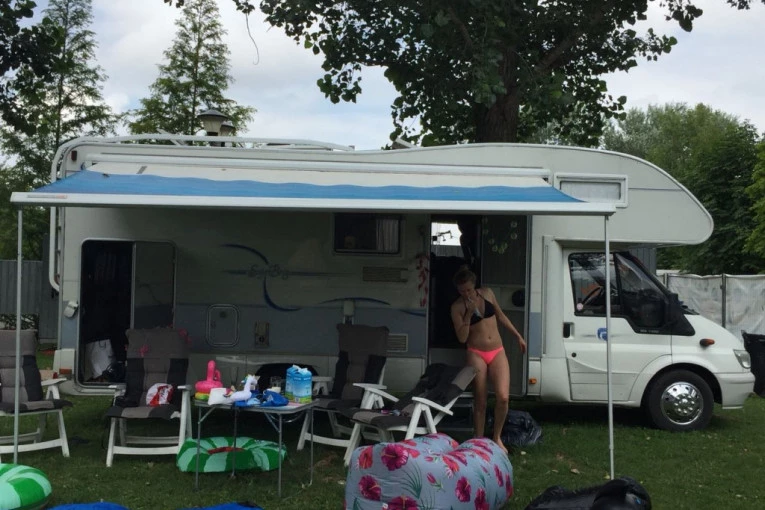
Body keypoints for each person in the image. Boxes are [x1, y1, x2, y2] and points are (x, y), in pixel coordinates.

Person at [450, 265, 527, 454]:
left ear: (474, 285)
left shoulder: (487, 293)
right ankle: (478, 439)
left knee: (503, 397)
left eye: (469, 289)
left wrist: (517, 335)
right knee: (481, 399)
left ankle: (496, 437)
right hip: (476, 352)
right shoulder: (457, 307)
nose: (466, 294)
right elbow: (462, 338)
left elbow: (500, 315)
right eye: (462, 291)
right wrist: (469, 314)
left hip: (497, 350)